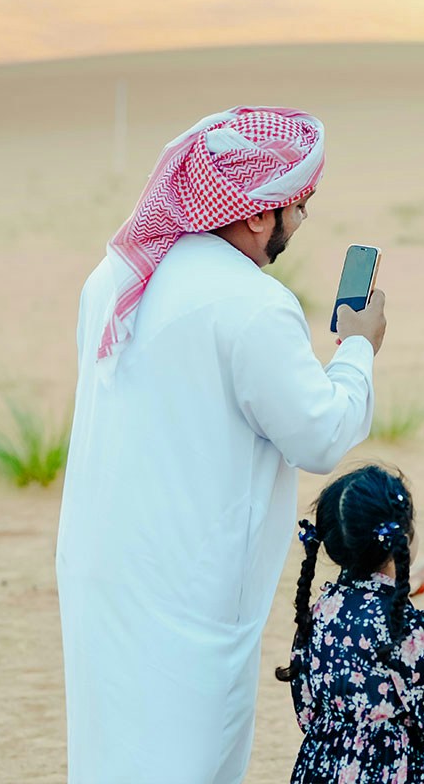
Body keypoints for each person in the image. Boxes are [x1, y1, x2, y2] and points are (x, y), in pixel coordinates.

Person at [56, 106, 388, 784]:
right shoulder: (252, 304)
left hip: (103, 568)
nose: (301, 225)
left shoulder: (115, 278)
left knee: (110, 756)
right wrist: (360, 345)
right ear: (259, 214)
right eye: (300, 207)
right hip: (188, 593)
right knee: (190, 762)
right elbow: (320, 433)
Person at [280, 464, 424, 784]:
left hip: (322, 770)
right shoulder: (398, 624)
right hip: (392, 770)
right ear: (403, 536)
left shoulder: (319, 611)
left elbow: (307, 711)